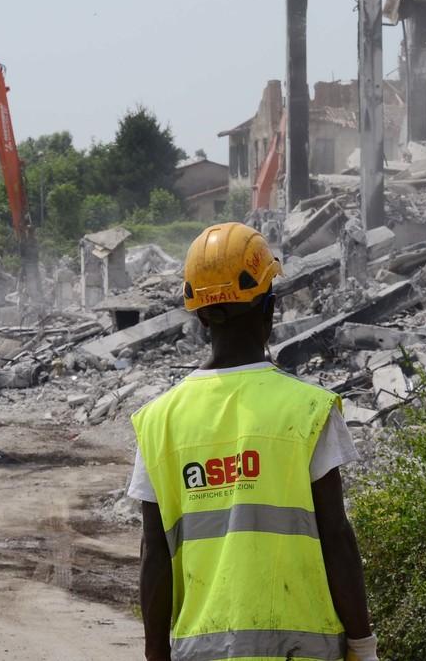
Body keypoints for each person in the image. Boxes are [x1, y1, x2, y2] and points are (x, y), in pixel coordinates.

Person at [128, 222, 379, 661]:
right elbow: (336, 536)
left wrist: (155, 655)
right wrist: (363, 644)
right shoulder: (308, 411)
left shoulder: (159, 421)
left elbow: (154, 553)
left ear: (200, 314)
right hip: (301, 651)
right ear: (271, 309)